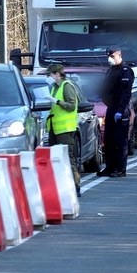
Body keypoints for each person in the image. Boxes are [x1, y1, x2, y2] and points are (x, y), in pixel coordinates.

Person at [45, 63, 81, 196]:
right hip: (54, 128)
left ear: (57, 74)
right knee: (55, 158)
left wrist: (57, 102)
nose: (48, 77)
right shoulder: (54, 87)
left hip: (65, 129)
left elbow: (72, 106)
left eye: (50, 74)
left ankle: (75, 186)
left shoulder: (67, 86)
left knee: (68, 157)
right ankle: (61, 186)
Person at [98, 45, 134, 178]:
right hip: (111, 108)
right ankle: (110, 167)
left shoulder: (126, 71)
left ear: (119, 55)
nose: (110, 59)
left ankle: (120, 169)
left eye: (112, 56)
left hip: (121, 110)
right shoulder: (111, 70)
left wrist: (121, 110)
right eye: (108, 56)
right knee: (108, 140)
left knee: (120, 141)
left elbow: (126, 93)